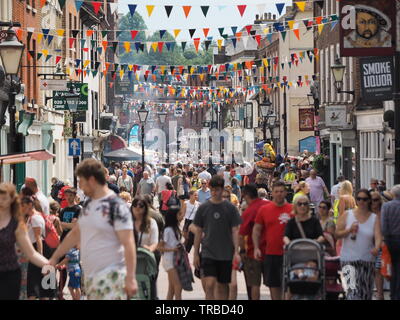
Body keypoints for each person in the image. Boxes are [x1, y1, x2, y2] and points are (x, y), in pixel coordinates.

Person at [49, 159, 137, 300]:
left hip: (111, 275)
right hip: (93, 274)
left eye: (81, 182)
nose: (81, 188)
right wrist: (54, 257)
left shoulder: (116, 206)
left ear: (91, 180)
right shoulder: (90, 204)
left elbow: (129, 243)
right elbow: (76, 233)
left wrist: (131, 277)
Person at [192, 175, 242, 300]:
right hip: (208, 252)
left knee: (222, 285)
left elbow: (236, 230)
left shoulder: (231, 208)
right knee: (209, 284)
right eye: (212, 190)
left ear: (222, 189)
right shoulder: (204, 207)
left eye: (217, 190)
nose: (215, 192)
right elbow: (198, 231)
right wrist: (195, 254)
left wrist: (236, 252)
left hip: (226, 253)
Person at [0, 183, 50, 300]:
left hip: (9, 274)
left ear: (12, 200)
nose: (1, 201)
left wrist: (48, 264)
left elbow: (31, 253)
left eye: (4, 198)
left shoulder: (16, 224)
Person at [335, 189, 382, 300]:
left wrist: (377, 247)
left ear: (369, 201)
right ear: (356, 200)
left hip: (367, 260)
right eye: (359, 199)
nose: (361, 202)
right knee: (352, 292)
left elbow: (378, 236)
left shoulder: (374, 218)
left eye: (365, 199)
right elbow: (337, 234)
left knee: (365, 294)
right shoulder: (347, 215)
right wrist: (349, 230)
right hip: (348, 260)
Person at [252, 181, 294, 300]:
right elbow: (256, 230)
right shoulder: (264, 210)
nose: (279, 194)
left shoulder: (293, 209)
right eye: (276, 192)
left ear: (285, 193)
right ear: (272, 193)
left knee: (290, 287)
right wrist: (256, 247)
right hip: (271, 254)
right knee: (274, 287)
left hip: (290, 255)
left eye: (281, 191)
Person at [239, 184, 269, 300]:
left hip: (252, 252)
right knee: (274, 285)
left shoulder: (249, 211)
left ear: (246, 195)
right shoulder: (268, 205)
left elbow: (241, 235)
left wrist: (242, 251)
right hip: (270, 251)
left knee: (254, 285)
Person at [158, 206, 184, 300]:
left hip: (175, 259)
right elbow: (159, 247)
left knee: (172, 288)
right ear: (174, 216)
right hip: (170, 261)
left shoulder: (176, 228)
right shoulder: (168, 230)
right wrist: (173, 249)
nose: (182, 216)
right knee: (178, 286)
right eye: (179, 214)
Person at [370, 191, 391, 300]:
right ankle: (380, 294)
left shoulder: (384, 212)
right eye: (372, 200)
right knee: (376, 270)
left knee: (383, 270)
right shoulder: (367, 213)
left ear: (380, 201)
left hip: (384, 244)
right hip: (371, 245)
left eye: (376, 200)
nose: (374, 202)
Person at [381, 185, 400, 300]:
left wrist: (386, 238)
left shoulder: (387, 206)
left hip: (391, 240)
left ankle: (393, 294)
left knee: (392, 267)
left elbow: (384, 226)